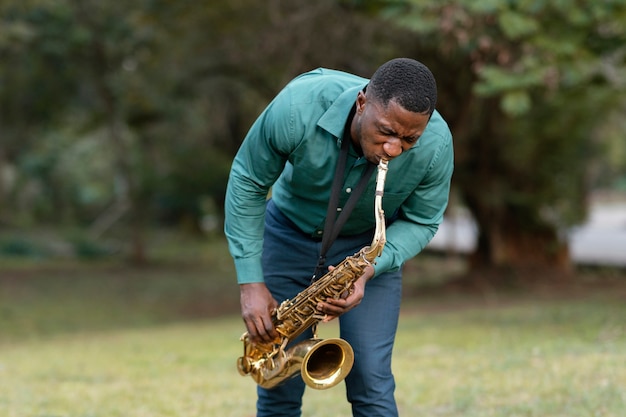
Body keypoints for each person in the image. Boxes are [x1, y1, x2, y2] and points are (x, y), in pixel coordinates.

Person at [224, 57, 454, 417]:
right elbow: (248, 180)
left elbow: (423, 221)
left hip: (367, 252)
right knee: (279, 382)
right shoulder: (298, 107)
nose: (393, 150)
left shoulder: (436, 145)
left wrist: (371, 268)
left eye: (409, 139)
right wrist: (250, 281)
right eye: (386, 132)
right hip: (288, 234)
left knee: (372, 383)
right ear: (362, 103)